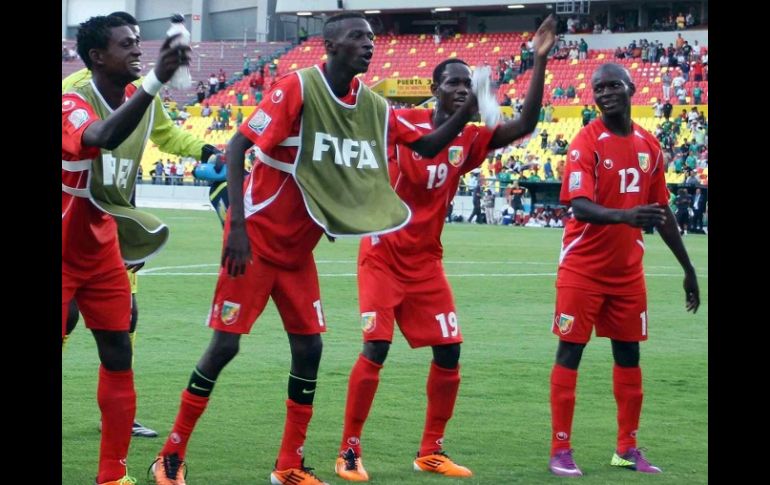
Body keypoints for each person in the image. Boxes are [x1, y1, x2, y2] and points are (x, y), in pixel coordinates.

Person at [150, 12, 477, 485]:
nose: (369, 45)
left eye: (371, 38)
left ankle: (288, 465)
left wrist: (464, 116)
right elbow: (239, 146)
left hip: (297, 254)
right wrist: (236, 227)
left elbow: (425, 145)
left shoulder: (371, 105)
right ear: (330, 45)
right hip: (256, 243)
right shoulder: (296, 88)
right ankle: (170, 454)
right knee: (224, 346)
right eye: (357, 37)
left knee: (310, 350)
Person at [334, 15, 557, 482]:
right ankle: (349, 450)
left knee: (450, 352)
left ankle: (430, 450)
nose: (460, 88)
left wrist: (537, 60)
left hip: (425, 262)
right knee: (376, 347)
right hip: (382, 254)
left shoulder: (472, 138)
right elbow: (429, 144)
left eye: (466, 83)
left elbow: (527, 123)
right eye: (452, 82)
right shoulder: (402, 122)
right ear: (434, 89)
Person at [62, 11, 222, 439]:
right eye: (127, 42)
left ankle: (118, 415)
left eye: (139, 40)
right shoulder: (74, 93)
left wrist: (209, 152)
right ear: (97, 57)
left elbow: (168, 136)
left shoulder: (138, 95)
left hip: (114, 225)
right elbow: (99, 137)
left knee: (124, 320)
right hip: (70, 223)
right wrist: (155, 80)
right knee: (68, 318)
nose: (137, 48)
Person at [547, 63, 700, 477]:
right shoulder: (585, 142)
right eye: (599, 88)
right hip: (582, 268)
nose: (606, 92)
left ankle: (626, 448)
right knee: (571, 351)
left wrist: (688, 268)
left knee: (629, 354)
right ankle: (560, 449)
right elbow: (578, 206)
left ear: (631, 88)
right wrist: (626, 216)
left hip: (627, 273)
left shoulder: (650, 145)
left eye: (614, 85)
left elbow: (662, 211)